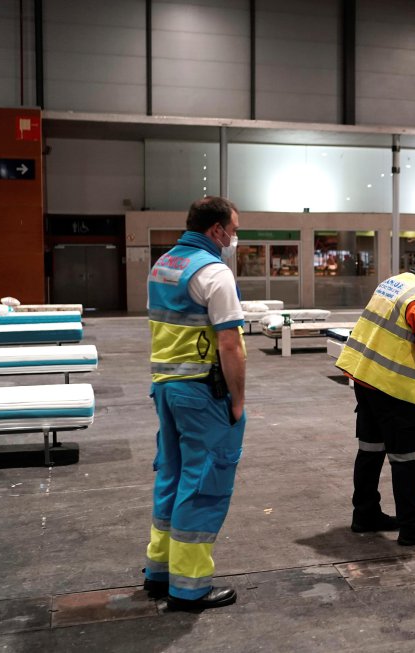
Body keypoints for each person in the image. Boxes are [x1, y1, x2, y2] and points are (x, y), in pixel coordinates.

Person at [142, 196, 247, 609]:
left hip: (166, 388)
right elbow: (230, 344)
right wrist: (237, 400)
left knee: (171, 475)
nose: (234, 238)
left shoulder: (164, 264)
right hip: (203, 392)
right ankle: (189, 588)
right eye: (234, 231)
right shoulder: (214, 273)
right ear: (217, 230)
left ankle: (159, 571)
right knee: (204, 483)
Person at [336, 254, 415, 546]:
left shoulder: (394, 283)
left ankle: (365, 515)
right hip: (395, 390)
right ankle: (412, 527)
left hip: (365, 379)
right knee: (408, 460)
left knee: (370, 452)